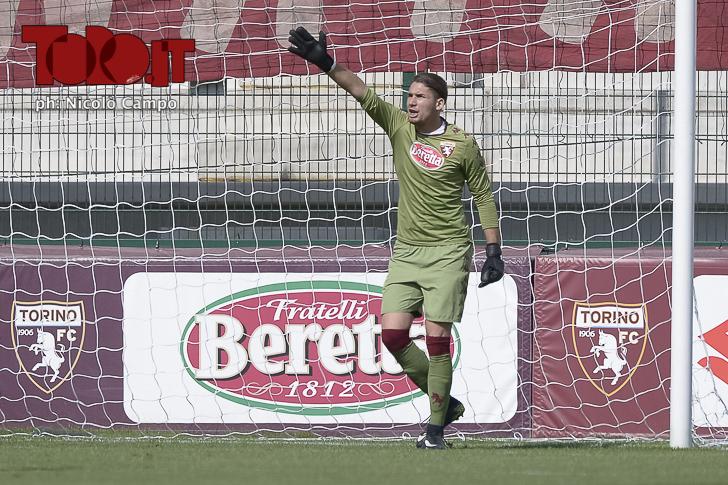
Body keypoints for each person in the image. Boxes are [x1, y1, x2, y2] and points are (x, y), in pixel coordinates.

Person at [288, 27, 504, 450]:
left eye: (420, 96)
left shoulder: (463, 145)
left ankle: (435, 431)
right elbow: (361, 92)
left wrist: (493, 249)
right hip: (406, 252)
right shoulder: (399, 127)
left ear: (439, 103)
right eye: (409, 96)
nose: (411, 102)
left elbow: (482, 194)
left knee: (437, 342)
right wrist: (324, 62)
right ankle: (445, 404)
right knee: (392, 335)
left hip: (448, 252)